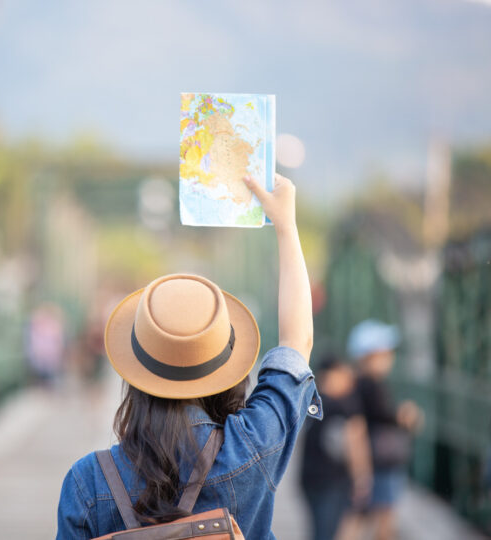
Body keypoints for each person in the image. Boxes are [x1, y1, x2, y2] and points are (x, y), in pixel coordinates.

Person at [56, 173, 322, 539]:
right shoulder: (252, 446)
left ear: (136, 372)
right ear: (226, 368)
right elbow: (297, 343)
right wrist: (286, 227)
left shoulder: (87, 482)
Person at [347, 320, 423, 540]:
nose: (390, 357)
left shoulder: (361, 382)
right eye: (385, 352)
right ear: (370, 356)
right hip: (379, 459)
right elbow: (385, 415)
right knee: (383, 516)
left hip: (372, 458)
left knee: (365, 515)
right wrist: (406, 416)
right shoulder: (370, 384)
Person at [300, 355, 371, 540]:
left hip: (309, 479)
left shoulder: (311, 401)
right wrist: (362, 478)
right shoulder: (346, 405)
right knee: (328, 532)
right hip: (333, 481)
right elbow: (354, 442)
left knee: (319, 531)